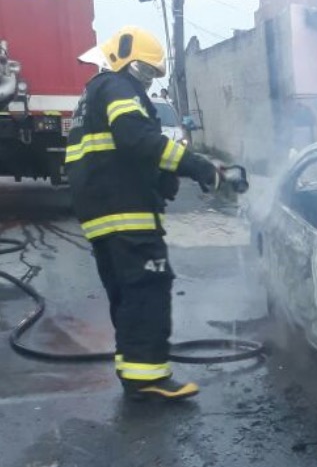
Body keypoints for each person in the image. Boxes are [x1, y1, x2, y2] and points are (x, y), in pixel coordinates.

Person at [66, 26, 224, 402]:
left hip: (103, 214)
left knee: (126, 294)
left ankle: (134, 371)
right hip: (126, 213)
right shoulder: (116, 87)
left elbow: (120, 150)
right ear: (124, 59)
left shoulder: (93, 93)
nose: (147, 81)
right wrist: (198, 166)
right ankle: (148, 378)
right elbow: (136, 138)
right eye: (145, 71)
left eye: (153, 75)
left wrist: (159, 177)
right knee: (148, 289)